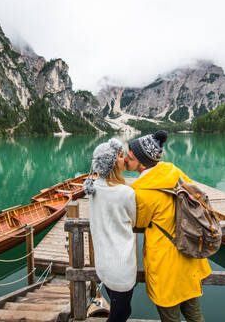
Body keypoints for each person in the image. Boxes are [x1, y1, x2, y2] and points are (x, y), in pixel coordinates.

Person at [124, 130, 211, 322]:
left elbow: (138, 222)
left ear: (141, 162)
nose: (125, 159)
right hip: (188, 254)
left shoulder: (142, 192)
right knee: (194, 313)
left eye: (129, 157)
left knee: (170, 316)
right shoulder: (173, 172)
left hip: (166, 264)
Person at [83, 138, 137, 322]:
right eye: (121, 156)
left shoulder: (93, 189)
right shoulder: (126, 193)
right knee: (122, 314)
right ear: (113, 163)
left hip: (103, 265)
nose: (125, 160)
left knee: (119, 310)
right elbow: (134, 221)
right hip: (122, 267)